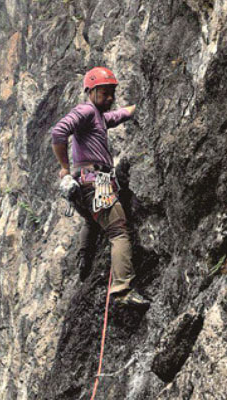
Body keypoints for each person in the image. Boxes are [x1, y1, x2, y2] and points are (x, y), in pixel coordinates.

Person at [51, 66, 149, 308]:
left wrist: (141, 105)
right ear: (90, 91)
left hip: (82, 187)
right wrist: (64, 167)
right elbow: (59, 131)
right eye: (104, 93)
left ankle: (85, 258)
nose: (109, 98)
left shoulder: (99, 117)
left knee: (90, 221)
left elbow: (119, 115)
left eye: (112, 93)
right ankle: (122, 289)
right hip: (96, 181)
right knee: (118, 232)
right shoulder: (86, 110)